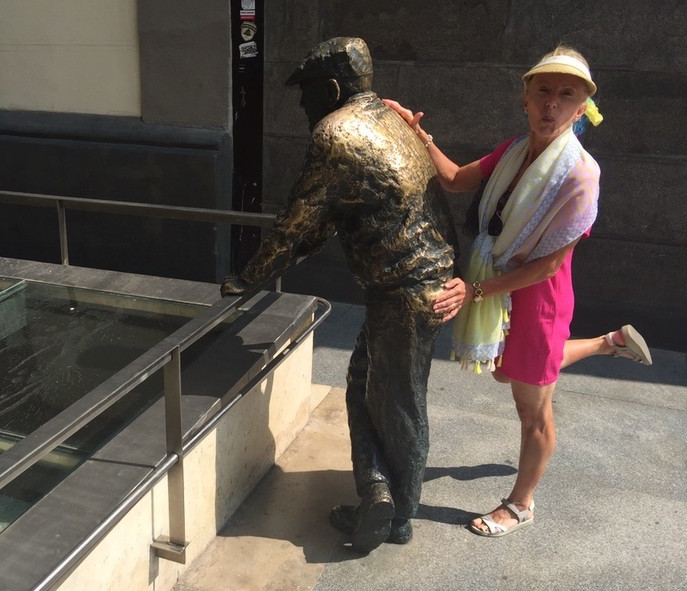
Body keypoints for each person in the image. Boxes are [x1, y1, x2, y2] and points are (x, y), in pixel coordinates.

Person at [385, 46, 652, 537]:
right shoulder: (512, 151)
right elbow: (454, 178)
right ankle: (605, 343)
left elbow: (548, 265)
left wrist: (475, 290)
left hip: (538, 301)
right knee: (516, 374)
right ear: (525, 99)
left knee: (533, 408)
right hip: (503, 290)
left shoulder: (580, 175)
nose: (552, 104)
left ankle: (522, 503)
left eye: (565, 95)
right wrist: (414, 132)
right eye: (542, 91)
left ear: (581, 108)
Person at [221, 37, 458, 553]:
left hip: (406, 292)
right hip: (412, 285)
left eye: (305, 93)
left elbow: (299, 226)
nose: (303, 107)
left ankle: (398, 518)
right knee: (361, 385)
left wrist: (247, 278)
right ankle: (377, 494)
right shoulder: (389, 117)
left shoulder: (338, 132)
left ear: (330, 88)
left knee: (398, 403)